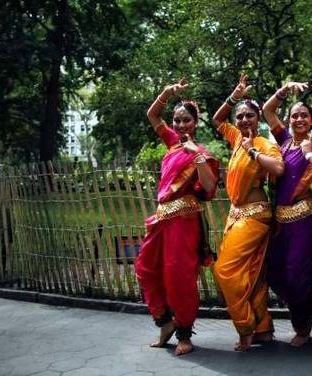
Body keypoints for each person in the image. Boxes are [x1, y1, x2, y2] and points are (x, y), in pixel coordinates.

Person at [135, 78, 220, 356]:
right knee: (145, 269)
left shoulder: (202, 152)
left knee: (178, 276)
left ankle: (184, 333)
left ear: (195, 123)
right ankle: (165, 322)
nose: (181, 125)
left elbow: (209, 188)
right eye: (177, 120)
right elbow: (152, 115)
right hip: (161, 219)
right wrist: (166, 93)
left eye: (186, 121)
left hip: (184, 221)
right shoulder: (171, 142)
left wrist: (197, 157)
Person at [262, 81, 312, 347]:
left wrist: (310, 157)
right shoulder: (283, 142)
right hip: (281, 222)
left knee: (296, 275)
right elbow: (267, 110)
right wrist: (283, 89)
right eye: (294, 115)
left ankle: (303, 328)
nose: (298, 119)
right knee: (273, 272)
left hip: (306, 221)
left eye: (304, 115)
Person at [211, 74, 285, 351]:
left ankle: (245, 327)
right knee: (252, 272)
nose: (243, 120)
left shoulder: (263, 143)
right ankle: (263, 327)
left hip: (255, 216)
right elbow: (218, 120)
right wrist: (234, 95)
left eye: (249, 116)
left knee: (225, 271)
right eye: (239, 116)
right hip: (237, 214)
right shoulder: (236, 137)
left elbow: (278, 169)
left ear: (258, 119)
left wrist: (252, 151)